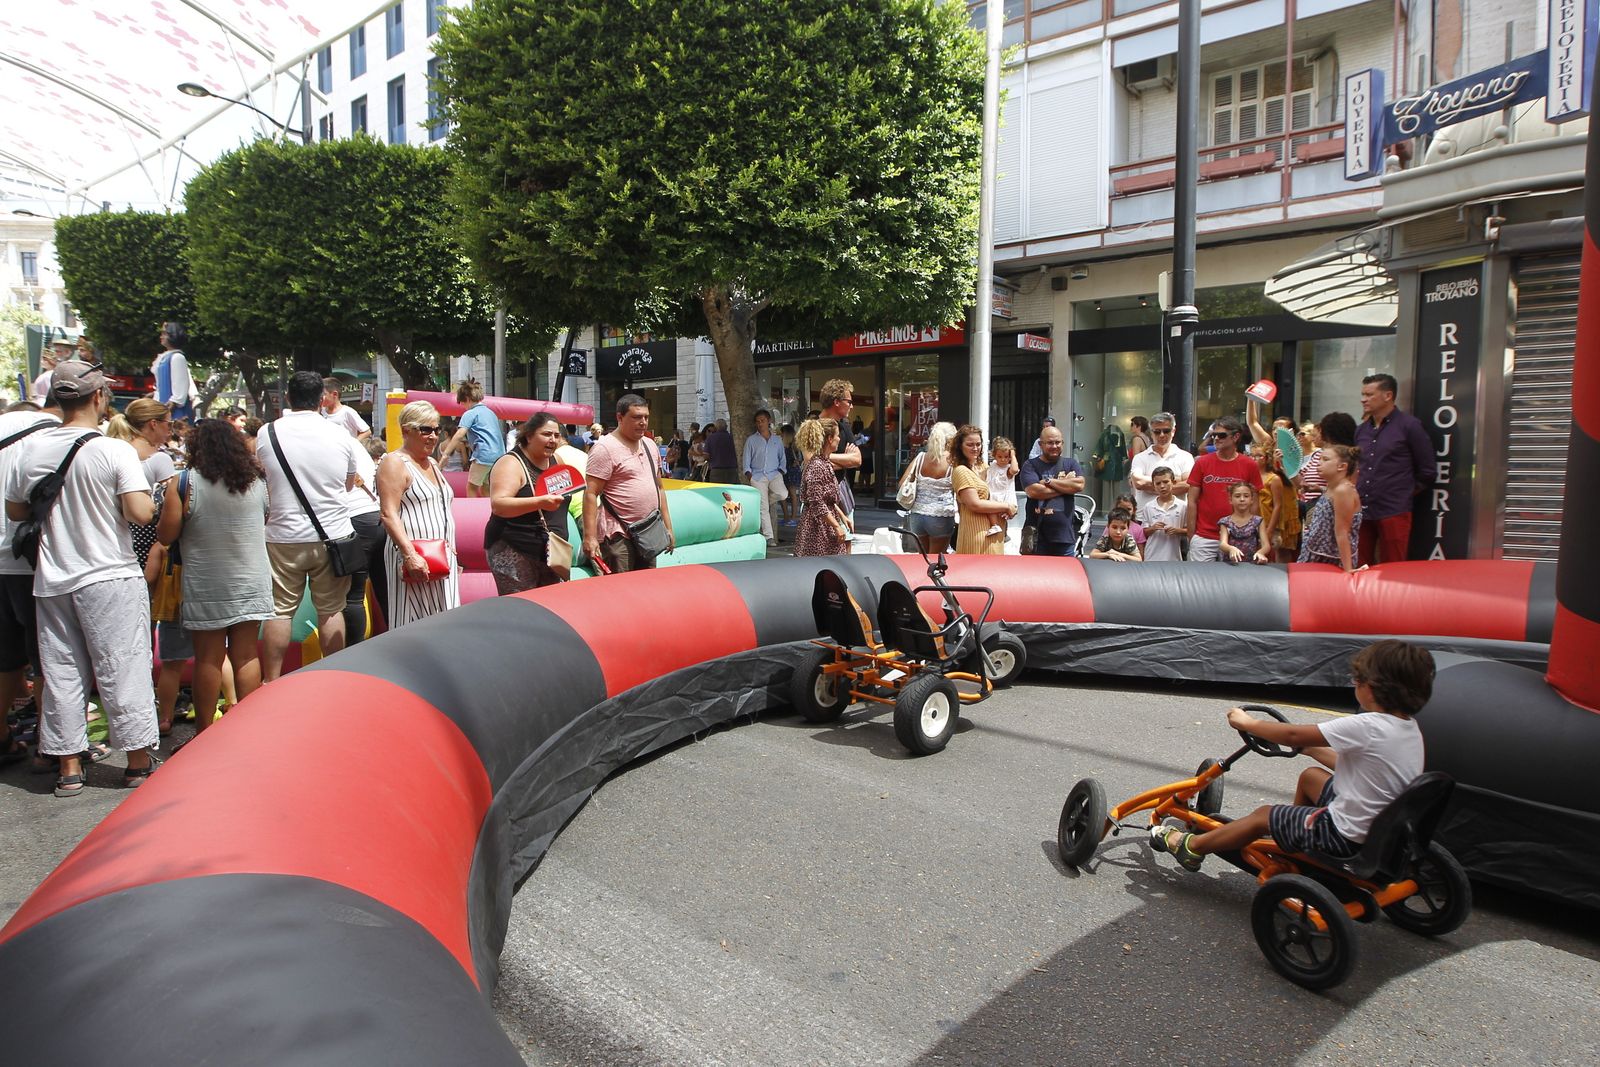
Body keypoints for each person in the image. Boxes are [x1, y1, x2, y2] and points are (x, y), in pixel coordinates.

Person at [3, 361, 159, 797]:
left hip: (53, 576)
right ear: (98, 398)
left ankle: (69, 767)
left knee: (60, 671)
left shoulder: (30, 449)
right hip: (109, 573)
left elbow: (16, 511)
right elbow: (140, 512)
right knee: (122, 665)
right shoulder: (113, 450)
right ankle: (137, 761)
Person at [1152, 640, 1435, 872]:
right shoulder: (1409, 730)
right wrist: (1309, 751)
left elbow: (1292, 735)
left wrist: (1246, 723)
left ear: (1370, 688)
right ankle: (1290, 842)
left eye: (1356, 680)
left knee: (1262, 816)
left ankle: (1190, 846)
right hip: (1378, 827)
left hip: (1343, 833)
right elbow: (1360, 771)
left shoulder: (1368, 725)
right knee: (1312, 777)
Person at [156, 419, 271, 736]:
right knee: (246, 654)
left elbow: (166, 535)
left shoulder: (184, 483)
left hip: (208, 581)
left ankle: (204, 733)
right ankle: (250, 729)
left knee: (208, 658)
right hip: (252, 578)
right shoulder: (257, 482)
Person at [257, 370, 361, 681]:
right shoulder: (341, 436)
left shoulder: (267, 432)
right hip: (333, 536)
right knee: (330, 610)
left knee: (280, 611)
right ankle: (333, 678)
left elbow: (264, 475)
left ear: (288, 397)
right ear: (322, 399)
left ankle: (271, 680)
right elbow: (347, 485)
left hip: (282, 535)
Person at [106, 399, 187, 734]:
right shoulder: (155, 459)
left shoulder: (112, 451)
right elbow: (167, 506)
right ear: (153, 425)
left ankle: (144, 706)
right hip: (149, 550)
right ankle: (146, 711)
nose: (170, 430)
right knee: (149, 631)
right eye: (167, 423)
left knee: (132, 635)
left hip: (124, 549)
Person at [0, 398, 59, 763]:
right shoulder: (51, 436)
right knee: (48, 659)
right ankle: (52, 748)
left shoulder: (9, 428)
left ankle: (3, 739)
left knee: (5, 659)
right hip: (28, 561)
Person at [378, 400, 460, 626]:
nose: (433, 436)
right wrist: (409, 555)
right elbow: (388, 513)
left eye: (436, 430)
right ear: (406, 430)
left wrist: (452, 553)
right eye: (425, 429)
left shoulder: (432, 463)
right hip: (414, 557)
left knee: (445, 622)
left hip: (441, 558)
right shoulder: (394, 462)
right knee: (412, 625)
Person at [582, 393, 676, 574]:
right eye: (636, 417)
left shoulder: (650, 445)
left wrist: (668, 528)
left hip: (648, 533)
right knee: (621, 594)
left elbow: (660, 488)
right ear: (620, 417)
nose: (643, 422)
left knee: (647, 590)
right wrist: (590, 537)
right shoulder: (604, 448)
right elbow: (591, 494)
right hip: (618, 536)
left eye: (646, 417)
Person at [485, 412, 569, 594]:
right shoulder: (511, 463)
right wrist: (539, 502)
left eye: (556, 435)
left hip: (551, 552)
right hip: (514, 549)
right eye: (546, 434)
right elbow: (499, 505)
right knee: (521, 611)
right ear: (529, 435)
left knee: (551, 607)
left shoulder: (556, 460)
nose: (553, 440)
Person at [1355, 373, 1433, 566]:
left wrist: (1402, 492)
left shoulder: (1409, 426)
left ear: (1388, 395)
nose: (1363, 399)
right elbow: (1357, 466)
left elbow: (1428, 470)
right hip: (1362, 507)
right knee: (1360, 563)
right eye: (1363, 394)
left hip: (1394, 508)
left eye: (1369, 394)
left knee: (1393, 565)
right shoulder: (1362, 430)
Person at [1184, 417, 1261, 563]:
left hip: (1238, 537)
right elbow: (1192, 500)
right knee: (1199, 582)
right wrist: (1192, 535)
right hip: (1204, 536)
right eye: (1214, 435)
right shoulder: (1202, 462)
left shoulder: (1249, 464)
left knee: (1235, 582)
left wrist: (1252, 533)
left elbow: (1255, 503)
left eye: (1222, 435)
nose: (1216, 438)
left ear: (1236, 436)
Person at [342, 431, 384, 642]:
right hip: (375, 516)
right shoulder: (350, 442)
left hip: (355, 519)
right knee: (385, 591)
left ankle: (353, 653)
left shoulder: (328, 443)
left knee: (353, 596)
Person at [1018, 424, 1085, 556]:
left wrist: (1049, 481)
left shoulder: (1070, 464)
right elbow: (1034, 491)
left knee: (1065, 576)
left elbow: (1079, 485)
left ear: (1062, 443)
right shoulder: (1030, 465)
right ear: (1041, 444)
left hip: (1064, 539)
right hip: (1036, 539)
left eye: (1057, 442)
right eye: (1049, 443)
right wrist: (1066, 486)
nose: (1054, 446)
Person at [1298, 444, 1364, 572]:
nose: (1319, 463)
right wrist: (1320, 488)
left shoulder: (1343, 490)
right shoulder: (1333, 487)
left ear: (1342, 466)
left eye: (1325, 459)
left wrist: (1348, 569)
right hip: (1316, 552)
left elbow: (1342, 532)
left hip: (1330, 559)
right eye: (1320, 458)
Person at [951, 424, 1013, 556]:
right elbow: (974, 504)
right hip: (976, 534)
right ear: (960, 446)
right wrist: (1006, 506)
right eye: (970, 444)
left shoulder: (983, 466)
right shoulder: (961, 470)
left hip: (995, 532)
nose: (975, 448)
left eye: (978, 444)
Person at [793, 417, 850, 557]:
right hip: (817, 529)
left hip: (824, 526)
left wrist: (842, 517)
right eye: (837, 436)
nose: (839, 439)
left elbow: (826, 499)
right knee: (819, 569)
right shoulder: (817, 465)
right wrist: (836, 526)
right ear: (830, 439)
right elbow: (817, 502)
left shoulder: (823, 463)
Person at [900, 421, 957, 555]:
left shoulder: (920, 458)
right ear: (951, 440)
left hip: (917, 515)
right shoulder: (953, 460)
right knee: (936, 560)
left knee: (923, 559)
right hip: (941, 514)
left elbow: (902, 483)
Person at [440, 380, 503, 498]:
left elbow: (459, 434)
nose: (463, 407)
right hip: (498, 456)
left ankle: (472, 510)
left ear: (468, 399)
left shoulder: (470, 413)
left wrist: (445, 454)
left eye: (462, 403)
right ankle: (489, 512)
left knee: (471, 487)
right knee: (486, 487)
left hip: (483, 455)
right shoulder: (490, 413)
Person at [1129, 411, 1193, 512]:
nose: (1162, 435)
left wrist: (1151, 485)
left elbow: (1188, 485)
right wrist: (1174, 480)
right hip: (1145, 519)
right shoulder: (1140, 458)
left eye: (1166, 431)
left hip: (1176, 519)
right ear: (1151, 433)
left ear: (1173, 431)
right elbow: (1139, 483)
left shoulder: (1185, 457)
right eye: (1157, 432)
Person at [741, 408, 788, 544]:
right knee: (763, 508)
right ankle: (769, 537)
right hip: (757, 476)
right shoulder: (751, 440)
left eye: (762, 421)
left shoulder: (777, 440)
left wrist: (781, 471)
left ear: (769, 421)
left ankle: (764, 501)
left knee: (783, 494)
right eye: (758, 422)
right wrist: (750, 476)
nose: (760, 424)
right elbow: (746, 461)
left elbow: (782, 458)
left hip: (774, 474)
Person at [819, 379, 860, 518]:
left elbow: (857, 459)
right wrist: (845, 462)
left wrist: (823, 458)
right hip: (820, 496)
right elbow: (809, 462)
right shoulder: (813, 427)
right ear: (837, 402)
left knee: (847, 538)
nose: (852, 406)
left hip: (842, 491)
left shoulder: (845, 427)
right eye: (849, 402)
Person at [1137, 467, 1186, 562]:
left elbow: (1190, 531)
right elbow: (1144, 532)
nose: (1162, 486)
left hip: (1174, 557)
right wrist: (1153, 528)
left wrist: (1177, 531)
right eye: (1158, 483)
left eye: (1166, 482)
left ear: (1173, 482)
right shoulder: (1149, 506)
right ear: (1153, 486)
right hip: (1152, 556)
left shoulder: (1183, 506)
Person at [152, 322, 197, 423]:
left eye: (164, 333)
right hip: (163, 406)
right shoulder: (166, 357)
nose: (161, 336)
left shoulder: (177, 357)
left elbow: (180, 387)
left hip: (174, 412)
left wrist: (171, 405)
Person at [1258, 447, 1296, 563]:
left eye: (1258, 456)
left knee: (1273, 554)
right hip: (1255, 523)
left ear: (1266, 459)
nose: (1254, 458)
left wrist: (1270, 530)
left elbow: (1278, 505)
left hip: (1270, 522)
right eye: (1251, 455)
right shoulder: (1249, 475)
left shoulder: (1273, 478)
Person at [1218, 483, 1269, 565]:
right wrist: (1230, 549)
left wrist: (1261, 552)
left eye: (1246, 496)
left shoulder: (1258, 521)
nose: (1242, 499)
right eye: (1237, 496)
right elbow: (1222, 543)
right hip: (1230, 564)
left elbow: (1266, 545)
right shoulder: (1225, 522)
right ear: (1230, 500)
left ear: (1252, 499)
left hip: (1251, 564)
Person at [984, 436, 1020, 540]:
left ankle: (999, 530)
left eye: (1006, 457)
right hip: (993, 494)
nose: (1003, 459)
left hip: (1004, 497)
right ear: (994, 455)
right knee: (991, 509)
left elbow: (1014, 469)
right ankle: (995, 526)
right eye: (1000, 456)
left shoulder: (1008, 469)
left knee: (1001, 517)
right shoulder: (992, 466)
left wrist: (1013, 456)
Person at [705, 418, 738, 483]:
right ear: (726, 427)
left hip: (716, 470)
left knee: (717, 491)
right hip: (732, 469)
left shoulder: (710, 438)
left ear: (715, 428)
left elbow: (706, 456)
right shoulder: (732, 438)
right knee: (731, 491)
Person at [779, 424, 802, 523]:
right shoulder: (793, 446)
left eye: (782, 433)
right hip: (787, 471)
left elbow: (800, 459)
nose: (780, 435)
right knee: (785, 495)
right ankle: (789, 517)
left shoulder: (792, 447)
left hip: (790, 472)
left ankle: (791, 517)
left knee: (791, 494)